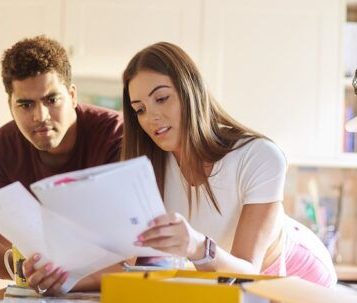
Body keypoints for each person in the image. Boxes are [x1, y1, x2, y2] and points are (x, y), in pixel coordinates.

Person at [124, 42, 337, 287]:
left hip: (299, 275)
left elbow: (248, 270)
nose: (151, 117)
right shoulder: (149, 169)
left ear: (190, 91)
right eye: (140, 109)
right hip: (224, 278)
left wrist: (196, 245)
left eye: (162, 98)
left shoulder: (258, 156)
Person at [0, 35, 129, 295]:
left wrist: (8, 268)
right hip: (46, 296)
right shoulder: (4, 147)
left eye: (51, 100)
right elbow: (21, 234)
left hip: (113, 296)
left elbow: (126, 257)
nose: (40, 116)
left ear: (72, 95)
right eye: (25, 104)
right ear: (10, 106)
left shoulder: (116, 137)